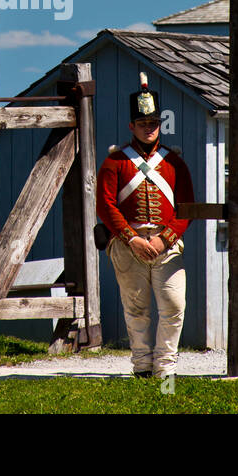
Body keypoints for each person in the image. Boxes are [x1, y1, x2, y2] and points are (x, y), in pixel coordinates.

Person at [95, 72, 194, 378]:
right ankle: (142, 367)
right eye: (142, 124)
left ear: (159, 125)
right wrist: (131, 239)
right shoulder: (115, 162)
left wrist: (165, 239)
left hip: (165, 244)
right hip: (129, 245)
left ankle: (166, 368)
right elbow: (105, 205)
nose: (148, 129)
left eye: (153, 123)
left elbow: (186, 206)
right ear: (132, 126)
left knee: (174, 304)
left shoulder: (175, 162)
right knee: (136, 309)